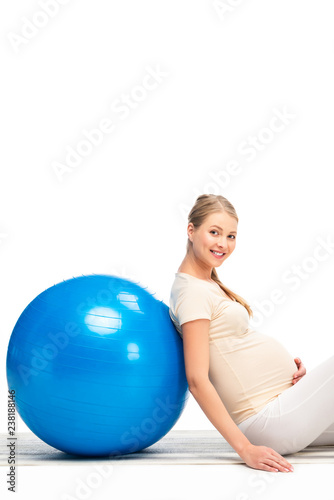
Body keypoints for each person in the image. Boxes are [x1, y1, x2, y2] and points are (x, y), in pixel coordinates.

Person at [169, 193, 334, 473]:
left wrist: (302, 386)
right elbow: (197, 380)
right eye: (214, 232)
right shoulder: (192, 291)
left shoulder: (205, 284)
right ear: (191, 230)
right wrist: (245, 449)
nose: (223, 243)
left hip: (283, 408)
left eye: (231, 236)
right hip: (268, 421)